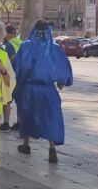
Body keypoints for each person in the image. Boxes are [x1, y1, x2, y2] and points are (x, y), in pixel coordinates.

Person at [14, 20, 73, 164]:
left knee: (27, 115)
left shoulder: (26, 46)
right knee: (51, 117)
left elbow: (19, 67)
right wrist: (61, 81)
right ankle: (52, 148)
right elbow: (62, 67)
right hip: (48, 89)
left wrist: (15, 85)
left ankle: (26, 145)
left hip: (29, 88)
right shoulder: (54, 48)